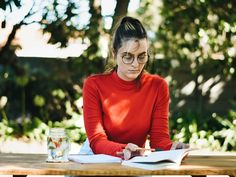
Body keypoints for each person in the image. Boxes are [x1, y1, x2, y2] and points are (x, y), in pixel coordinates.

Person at [82, 16, 189, 160]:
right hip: (97, 155)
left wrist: (173, 148)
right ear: (115, 54)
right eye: (128, 56)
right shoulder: (94, 85)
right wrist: (123, 150)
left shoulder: (158, 86)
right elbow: (96, 140)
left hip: (134, 158)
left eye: (141, 57)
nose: (135, 64)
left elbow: (159, 140)